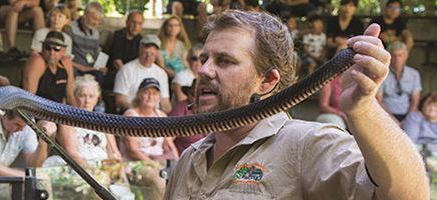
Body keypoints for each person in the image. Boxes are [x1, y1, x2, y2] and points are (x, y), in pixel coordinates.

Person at [164, 10, 427, 199]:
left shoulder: (306, 145)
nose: (204, 70)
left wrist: (363, 109)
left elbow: (410, 195)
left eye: (224, 61)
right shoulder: (190, 159)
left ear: (267, 81)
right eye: (204, 58)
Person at [46, 75, 120, 167]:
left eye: (91, 96)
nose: (87, 101)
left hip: (103, 168)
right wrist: (92, 173)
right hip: (78, 168)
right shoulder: (67, 121)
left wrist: (115, 173)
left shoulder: (104, 122)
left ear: (97, 99)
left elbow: (114, 152)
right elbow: (72, 154)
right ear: (75, 96)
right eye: (82, 96)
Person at [121, 77, 175, 200]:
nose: (151, 97)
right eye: (147, 92)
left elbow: (169, 145)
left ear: (159, 97)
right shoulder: (131, 116)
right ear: (139, 94)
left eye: (155, 93)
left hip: (159, 162)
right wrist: (154, 165)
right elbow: (132, 149)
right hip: (136, 163)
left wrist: (178, 163)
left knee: (182, 177)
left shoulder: (161, 116)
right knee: (159, 179)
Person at [114, 35, 171, 114]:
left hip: (155, 116)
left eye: (152, 53)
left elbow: (165, 102)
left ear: (157, 53)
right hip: (132, 115)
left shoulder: (161, 73)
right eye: (146, 52)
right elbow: (120, 100)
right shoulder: (126, 70)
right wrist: (139, 113)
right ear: (140, 49)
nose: (148, 56)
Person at [22, 31, 75, 104]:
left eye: (56, 49)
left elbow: (70, 97)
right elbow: (28, 99)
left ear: (63, 51)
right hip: (37, 109)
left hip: (56, 111)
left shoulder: (66, 63)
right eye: (48, 48)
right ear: (42, 48)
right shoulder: (37, 61)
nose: (51, 53)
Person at [377, 42, 420, 122]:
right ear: (389, 57)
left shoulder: (414, 74)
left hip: (408, 114)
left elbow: (415, 99)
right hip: (385, 114)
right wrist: (391, 118)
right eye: (394, 55)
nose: (397, 59)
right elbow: (379, 99)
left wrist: (408, 119)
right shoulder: (382, 73)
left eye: (400, 55)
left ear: (406, 56)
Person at [67, 2, 103, 85]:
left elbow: (95, 54)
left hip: (90, 67)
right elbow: (66, 55)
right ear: (85, 15)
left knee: (101, 75)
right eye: (94, 18)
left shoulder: (96, 33)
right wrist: (82, 67)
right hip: (75, 66)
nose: (96, 23)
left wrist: (100, 66)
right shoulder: (71, 28)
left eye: (99, 20)